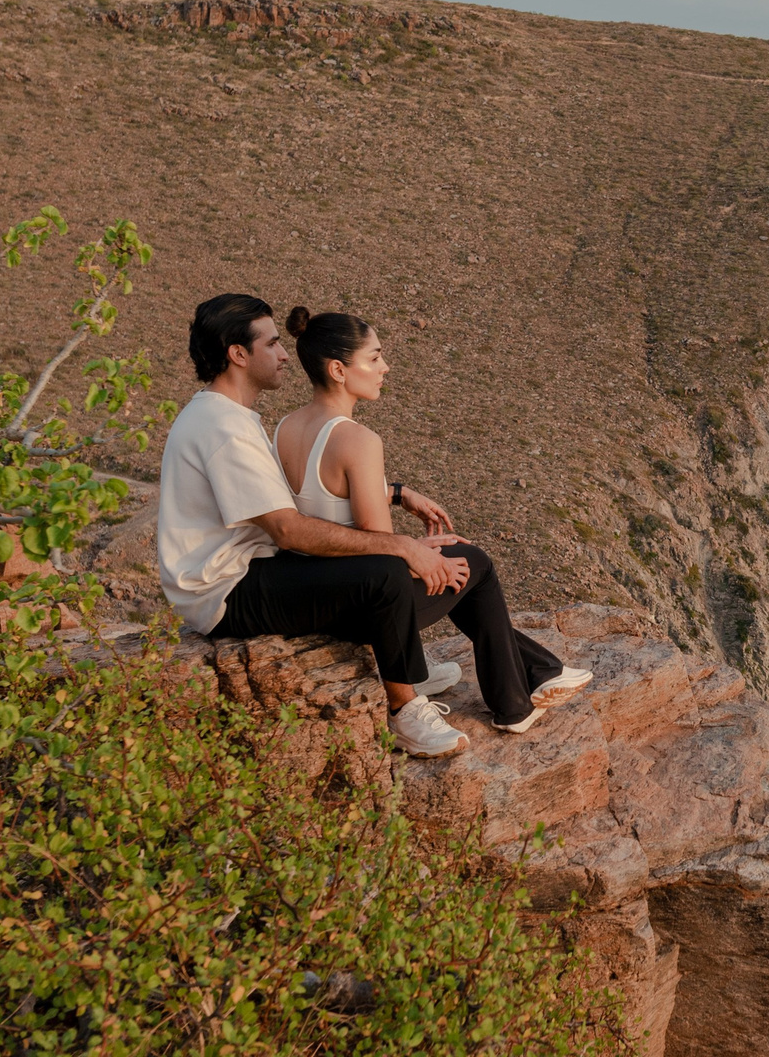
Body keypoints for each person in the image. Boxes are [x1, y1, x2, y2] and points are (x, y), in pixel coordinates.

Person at [156, 293, 589, 757]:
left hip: (249, 571)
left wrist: (397, 495)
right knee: (393, 573)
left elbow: (302, 498)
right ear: (238, 355)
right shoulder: (224, 428)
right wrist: (403, 546)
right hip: (229, 590)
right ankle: (405, 706)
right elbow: (288, 528)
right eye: (272, 344)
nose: (284, 355)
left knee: (395, 563)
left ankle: (441, 667)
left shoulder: (237, 419)